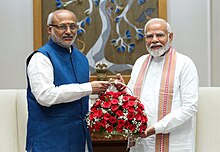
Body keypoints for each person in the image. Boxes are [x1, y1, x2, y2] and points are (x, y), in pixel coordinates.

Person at [25, 9, 110, 152]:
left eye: (73, 26)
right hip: (49, 141)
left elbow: (81, 99)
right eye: (62, 26)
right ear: (49, 29)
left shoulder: (81, 59)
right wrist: (89, 88)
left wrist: (107, 95)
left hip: (79, 138)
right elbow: (45, 96)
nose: (69, 31)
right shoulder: (41, 58)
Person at [116, 18, 199, 152]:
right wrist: (123, 90)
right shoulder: (140, 62)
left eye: (160, 35)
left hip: (174, 142)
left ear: (170, 37)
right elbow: (133, 100)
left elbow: (190, 106)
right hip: (142, 142)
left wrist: (156, 128)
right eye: (149, 36)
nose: (154, 40)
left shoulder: (184, 63)